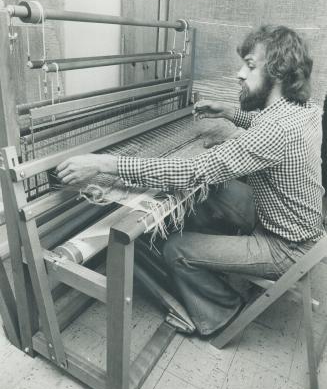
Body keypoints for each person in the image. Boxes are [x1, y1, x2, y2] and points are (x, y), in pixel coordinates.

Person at [56, 25, 325, 336]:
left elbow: (192, 171)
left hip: (286, 247)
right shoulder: (303, 111)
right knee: (217, 187)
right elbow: (262, 122)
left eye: (250, 65)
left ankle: (220, 310)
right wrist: (228, 112)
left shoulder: (275, 132)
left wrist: (105, 163)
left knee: (176, 248)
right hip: (298, 226)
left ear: (277, 73)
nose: (240, 73)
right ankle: (211, 254)